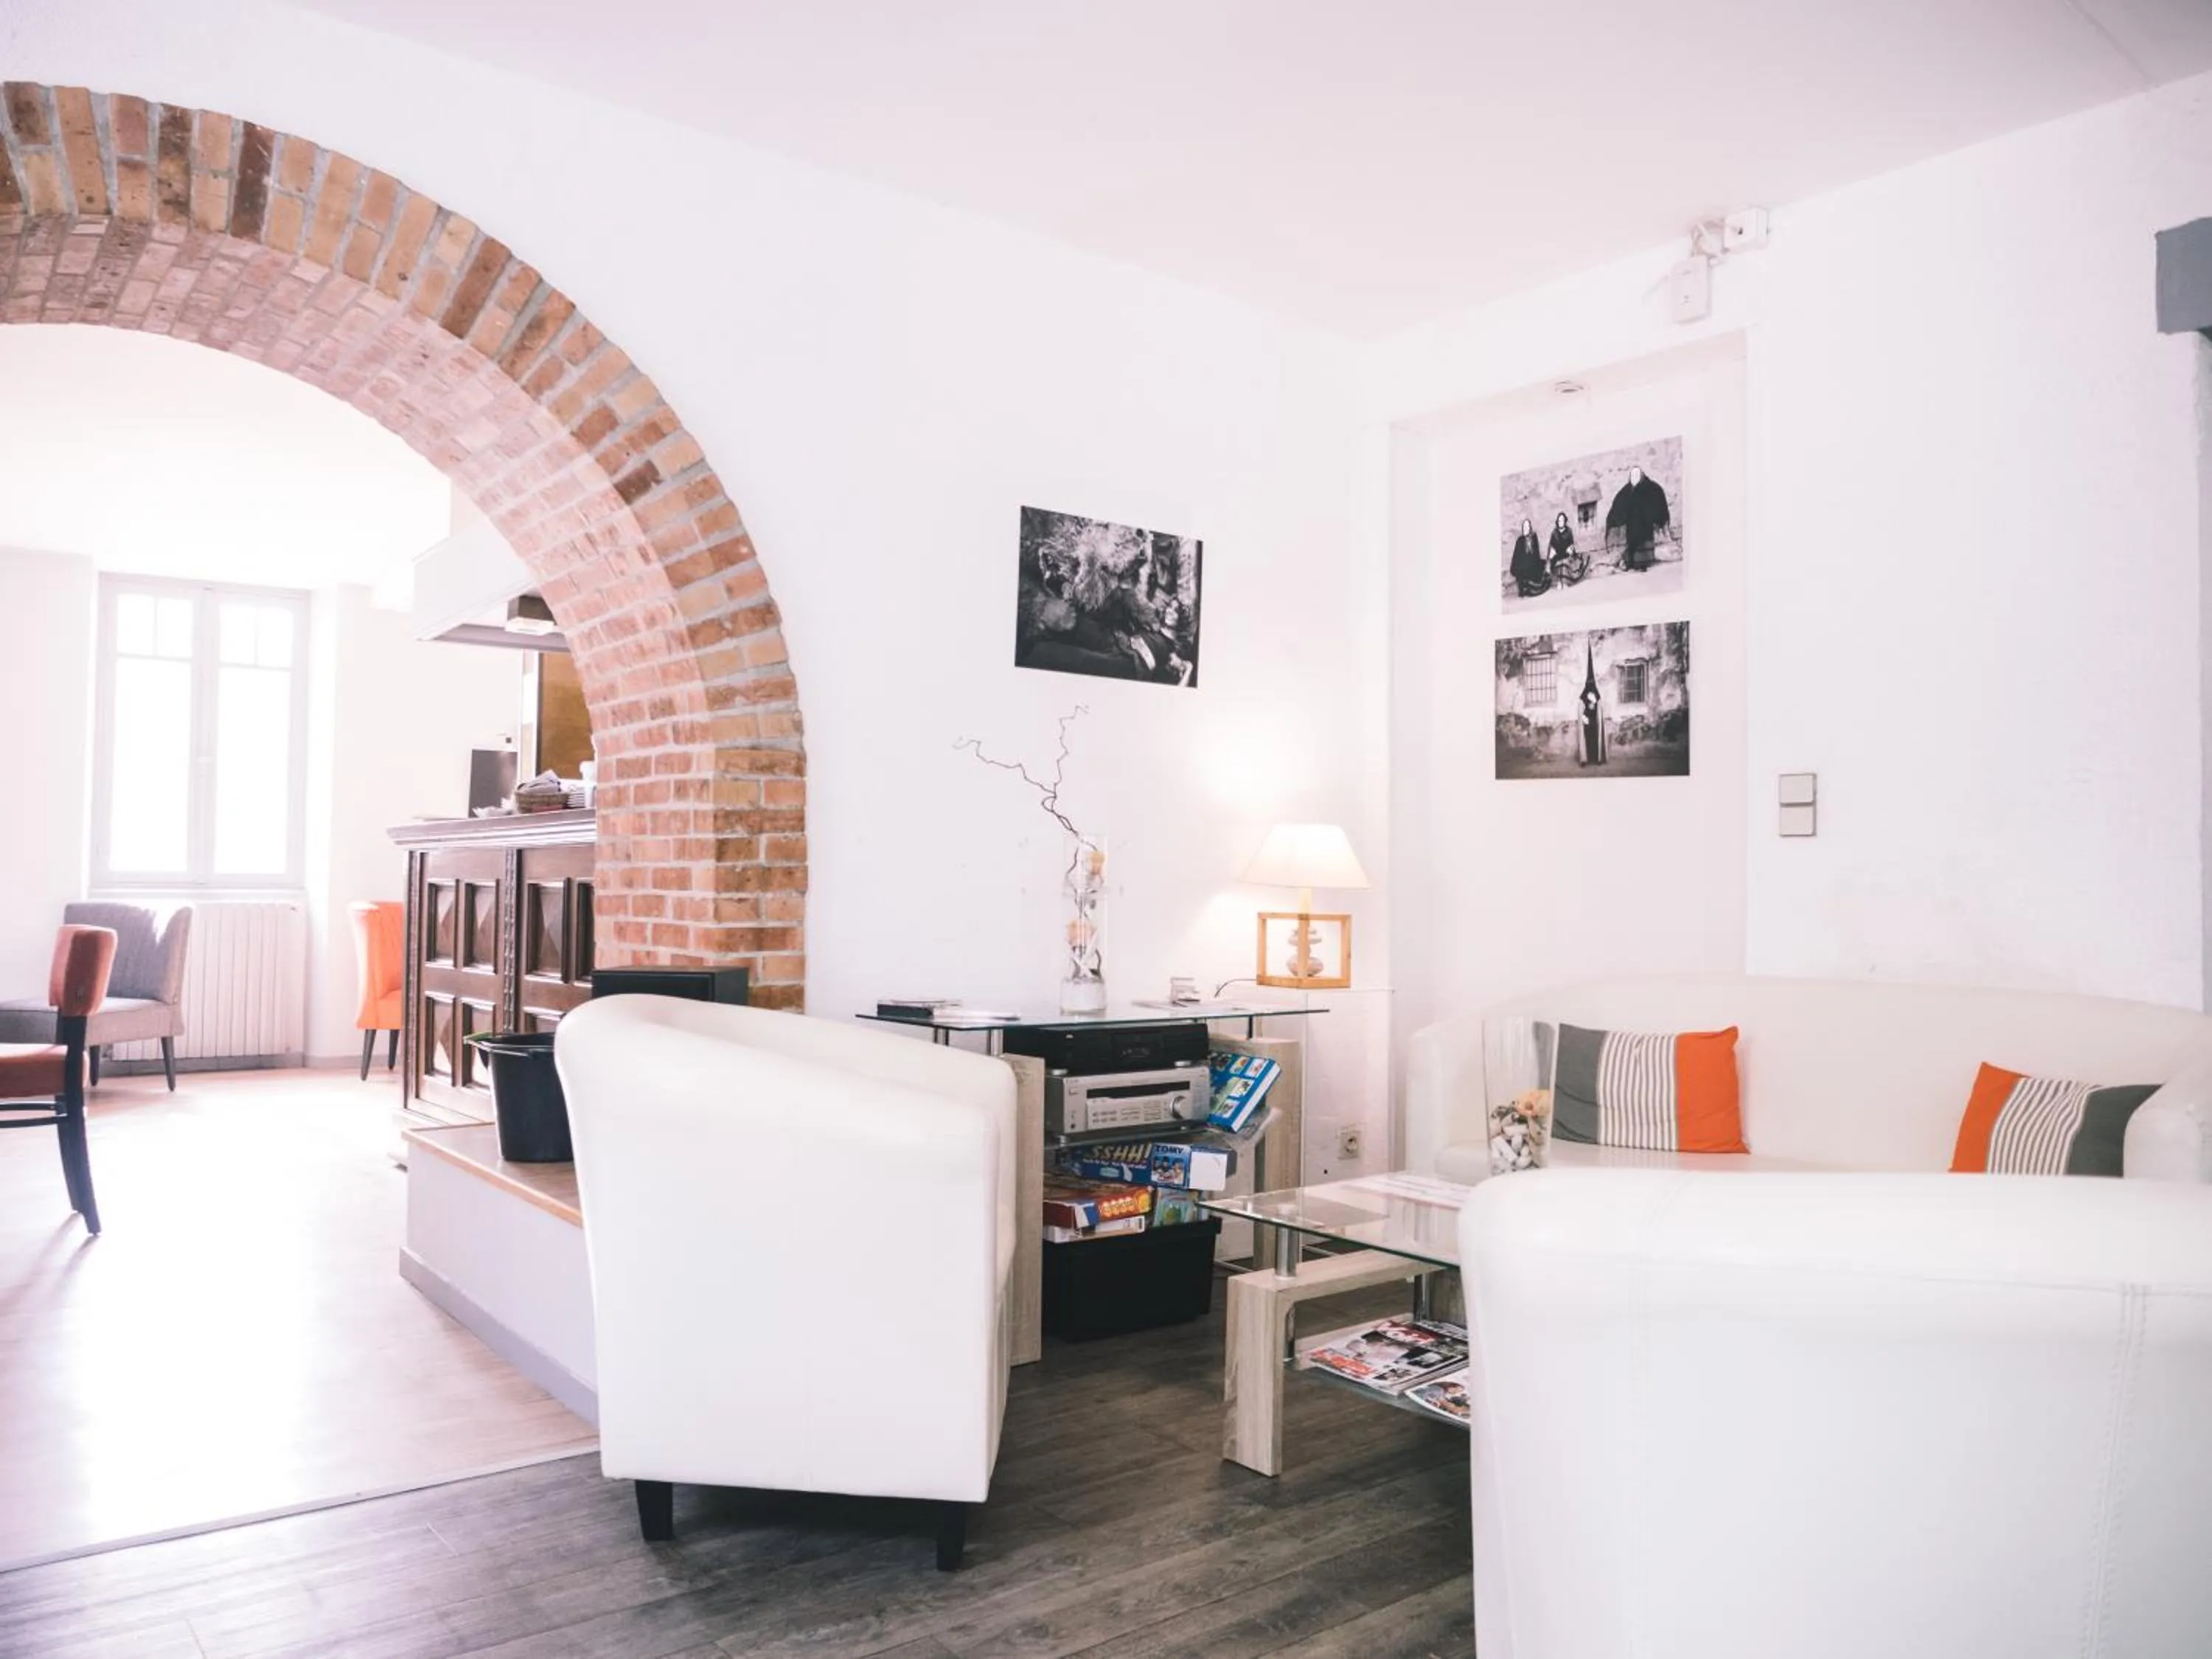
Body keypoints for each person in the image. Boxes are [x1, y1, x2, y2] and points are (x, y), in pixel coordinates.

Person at [1605, 464, 1672, 572]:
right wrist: (1614, 519)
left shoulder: (1650, 487)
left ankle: (1643, 564)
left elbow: (1658, 500)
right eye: (1633, 475)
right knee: (1632, 542)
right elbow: (1619, 504)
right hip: (1632, 523)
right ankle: (1632, 563)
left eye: (1637, 475)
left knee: (1644, 542)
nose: (1635, 477)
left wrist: (1657, 517)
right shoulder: (1627, 490)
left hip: (1645, 523)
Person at [1509, 517, 1548, 597]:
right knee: (1522, 571)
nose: (1525, 529)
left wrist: (1538, 562)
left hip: (1532, 563)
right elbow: (1517, 555)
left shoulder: (1534, 538)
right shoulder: (1520, 540)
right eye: (1524, 527)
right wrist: (1516, 567)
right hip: (1523, 564)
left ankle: (1536, 585)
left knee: (1543, 564)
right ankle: (1524, 589)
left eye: (1527, 527)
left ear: (1530, 528)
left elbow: (1536, 553)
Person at [1546, 512, 1580, 583]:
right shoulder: (1554, 533)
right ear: (1557, 522)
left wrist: (1571, 549)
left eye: (1562, 520)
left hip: (1566, 554)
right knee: (1554, 564)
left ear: (1565, 521)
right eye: (1559, 521)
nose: (1560, 522)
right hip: (1557, 555)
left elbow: (1572, 544)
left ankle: (1566, 581)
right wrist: (1551, 552)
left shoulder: (1569, 531)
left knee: (1567, 563)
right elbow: (1551, 545)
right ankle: (1557, 581)